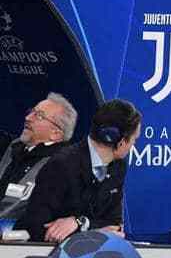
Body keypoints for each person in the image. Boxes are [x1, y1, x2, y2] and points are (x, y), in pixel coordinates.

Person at [16, 99, 142, 243]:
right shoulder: (62, 165)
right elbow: (36, 227)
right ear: (121, 143)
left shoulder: (118, 166)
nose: (133, 145)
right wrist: (91, 233)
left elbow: (114, 225)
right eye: (134, 139)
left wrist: (80, 223)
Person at [0, 93, 77, 220]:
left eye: (39, 116)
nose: (28, 118)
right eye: (32, 112)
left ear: (56, 134)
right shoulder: (12, 147)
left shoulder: (62, 165)